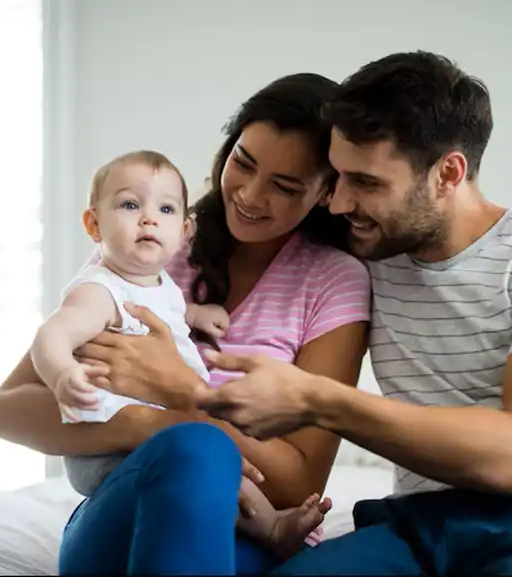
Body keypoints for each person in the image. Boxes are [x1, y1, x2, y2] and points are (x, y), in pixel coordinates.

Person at [182, 51, 512, 575]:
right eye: (336, 178)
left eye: (365, 183)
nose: (338, 203)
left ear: (447, 173)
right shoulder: (367, 257)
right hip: (412, 527)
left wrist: (316, 400)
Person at [0, 72, 371, 575]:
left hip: (252, 532)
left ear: (324, 194)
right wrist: (158, 424)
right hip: (123, 514)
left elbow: (299, 485)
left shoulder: (333, 282)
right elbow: (5, 412)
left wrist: (184, 392)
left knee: (201, 446)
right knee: (196, 445)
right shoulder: (151, 248)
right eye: (243, 163)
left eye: (284, 186)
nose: (250, 195)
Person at [29, 148, 331, 560]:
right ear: (93, 224)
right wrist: (63, 373)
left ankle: (271, 525)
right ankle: (268, 524)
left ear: (185, 230)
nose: (149, 218)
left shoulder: (159, 285)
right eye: (130, 204)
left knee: (214, 457)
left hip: (168, 447)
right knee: (203, 451)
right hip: (112, 452)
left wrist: (197, 314)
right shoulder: (98, 291)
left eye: (166, 209)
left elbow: (165, 310)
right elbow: (52, 334)